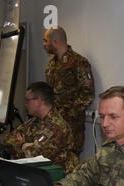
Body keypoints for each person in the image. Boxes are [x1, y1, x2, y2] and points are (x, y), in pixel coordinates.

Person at [0, 81, 78, 173]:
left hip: (56, 178)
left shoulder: (56, 127)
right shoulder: (34, 121)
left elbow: (33, 157)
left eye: (28, 100)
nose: (26, 104)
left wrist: (21, 144)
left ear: (39, 101)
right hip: (36, 173)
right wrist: (24, 145)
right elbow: (5, 140)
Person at [43, 26, 95, 155]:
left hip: (71, 128)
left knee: (70, 166)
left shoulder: (79, 62)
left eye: (45, 41)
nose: (43, 44)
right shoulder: (51, 64)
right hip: (53, 126)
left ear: (55, 41)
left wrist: (69, 113)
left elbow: (88, 94)